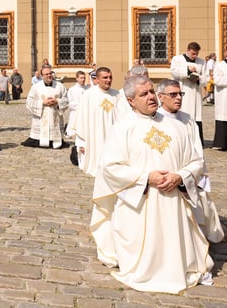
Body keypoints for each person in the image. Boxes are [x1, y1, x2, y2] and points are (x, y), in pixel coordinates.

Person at [90, 75, 213, 293]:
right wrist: (147, 178)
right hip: (140, 204)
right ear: (130, 101)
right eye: (143, 94)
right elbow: (110, 168)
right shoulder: (123, 128)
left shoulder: (175, 126)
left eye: (151, 92)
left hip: (174, 202)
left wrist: (180, 176)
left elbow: (196, 161)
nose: (151, 97)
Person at [156, 79, 224, 243]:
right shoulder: (155, 121)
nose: (178, 97)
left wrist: (193, 173)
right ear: (160, 97)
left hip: (188, 175)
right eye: (173, 94)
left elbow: (197, 150)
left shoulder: (188, 119)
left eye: (180, 94)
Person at [71, 66, 121, 176]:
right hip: (94, 138)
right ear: (97, 79)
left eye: (110, 77)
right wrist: (81, 143)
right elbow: (81, 121)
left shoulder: (117, 95)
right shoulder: (88, 95)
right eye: (105, 77)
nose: (108, 80)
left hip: (112, 137)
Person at [23, 65, 68, 149]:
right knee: (38, 140)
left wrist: (57, 101)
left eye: (50, 73)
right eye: (46, 74)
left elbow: (66, 100)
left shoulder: (60, 86)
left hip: (55, 116)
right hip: (41, 117)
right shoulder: (36, 87)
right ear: (42, 76)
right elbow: (29, 102)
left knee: (56, 139)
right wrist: (42, 102)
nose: (49, 75)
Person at [170, 42, 206, 141]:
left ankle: (195, 140)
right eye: (193, 54)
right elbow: (174, 72)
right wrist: (188, 70)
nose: (195, 56)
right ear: (188, 50)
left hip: (195, 93)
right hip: (182, 91)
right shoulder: (177, 59)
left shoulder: (202, 62)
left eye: (196, 54)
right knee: (182, 112)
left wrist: (198, 79)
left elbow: (206, 78)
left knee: (195, 116)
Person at [64, 71, 89, 138]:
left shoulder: (88, 89)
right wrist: (81, 106)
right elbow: (70, 103)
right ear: (77, 78)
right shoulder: (72, 90)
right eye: (81, 78)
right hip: (75, 112)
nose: (83, 79)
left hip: (86, 112)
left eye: (84, 78)